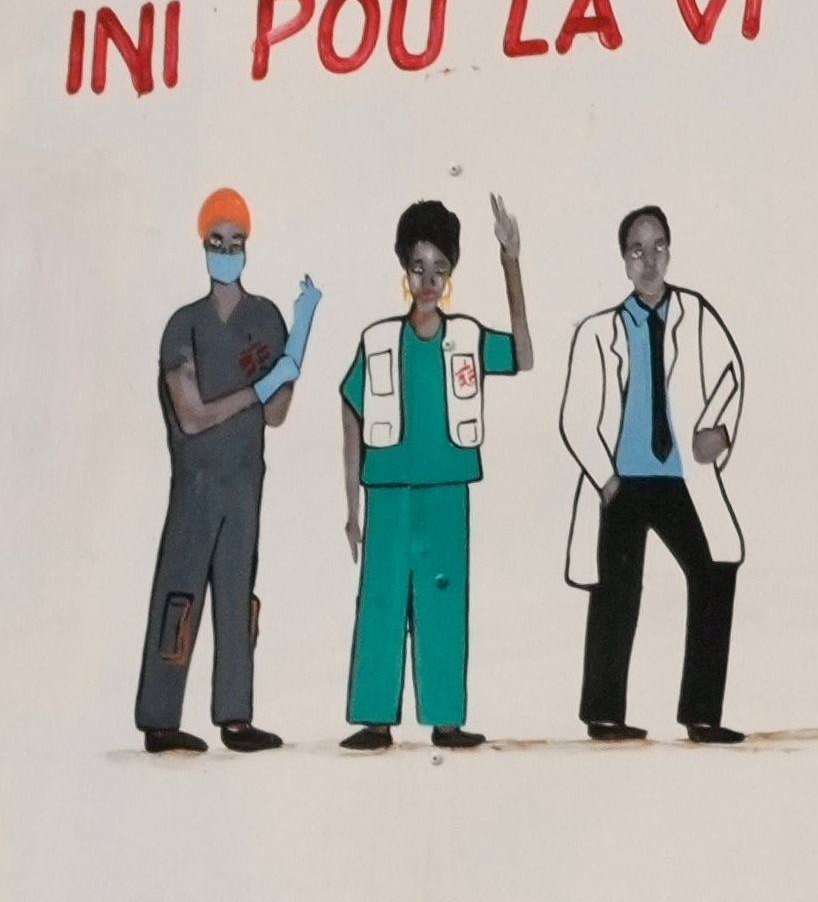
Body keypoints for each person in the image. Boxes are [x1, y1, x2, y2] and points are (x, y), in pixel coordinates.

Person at [338, 191, 529, 750]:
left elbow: (522, 352)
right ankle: (375, 718)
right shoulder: (378, 341)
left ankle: (446, 718)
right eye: (419, 267)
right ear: (405, 267)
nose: (428, 280)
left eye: (439, 269)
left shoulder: (466, 336)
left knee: (444, 601)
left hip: (448, 490)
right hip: (390, 492)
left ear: (451, 275)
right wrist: (350, 506)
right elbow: (350, 410)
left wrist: (510, 261)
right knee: (382, 602)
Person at [560, 199, 750, 745]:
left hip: (677, 479)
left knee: (715, 570)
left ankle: (702, 715)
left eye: (658, 246)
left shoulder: (695, 315)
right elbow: (575, 418)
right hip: (620, 481)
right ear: (624, 259)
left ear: (670, 251)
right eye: (637, 250)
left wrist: (721, 429)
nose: (649, 260)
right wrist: (607, 479)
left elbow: (732, 373)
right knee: (617, 591)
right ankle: (604, 714)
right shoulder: (600, 330)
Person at [135, 189, 314, 756]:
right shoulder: (182, 325)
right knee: (179, 594)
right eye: (218, 242)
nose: (228, 251)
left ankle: (235, 718)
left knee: (238, 599)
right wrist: (261, 386)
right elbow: (190, 417)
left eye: (237, 242)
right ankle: (160, 719)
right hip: (195, 488)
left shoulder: (265, 319)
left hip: (244, 486)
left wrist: (296, 353)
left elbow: (279, 415)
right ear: (203, 245)